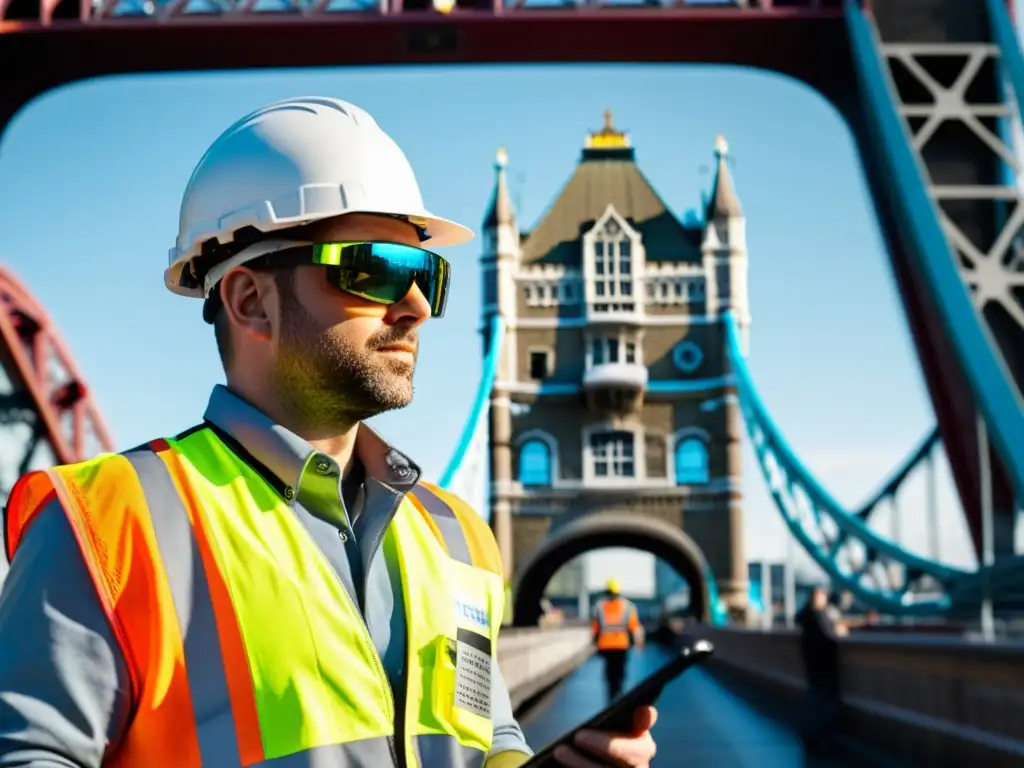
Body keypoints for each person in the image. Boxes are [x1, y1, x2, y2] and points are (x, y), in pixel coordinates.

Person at [0, 98, 658, 768]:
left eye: (427, 273)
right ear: (250, 300)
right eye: (373, 270)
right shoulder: (108, 525)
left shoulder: (459, 538)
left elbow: (489, 737)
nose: (419, 307)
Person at [795, 586, 846, 756]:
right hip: (825, 665)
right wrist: (838, 632)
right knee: (825, 703)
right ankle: (821, 740)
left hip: (812, 664)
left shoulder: (804, 616)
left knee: (814, 700)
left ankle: (810, 738)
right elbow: (829, 638)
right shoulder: (819, 616)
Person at [592, 578, 644, 702]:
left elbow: (595, 628)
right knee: (620, 673)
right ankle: (619, 696)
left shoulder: (600, 606)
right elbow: (634, 627)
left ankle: (611, 697)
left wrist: (594, 643)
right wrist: (639, 644)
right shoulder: (628, 606)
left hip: (606, 645)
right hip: (621, 645)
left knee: (610, 673)